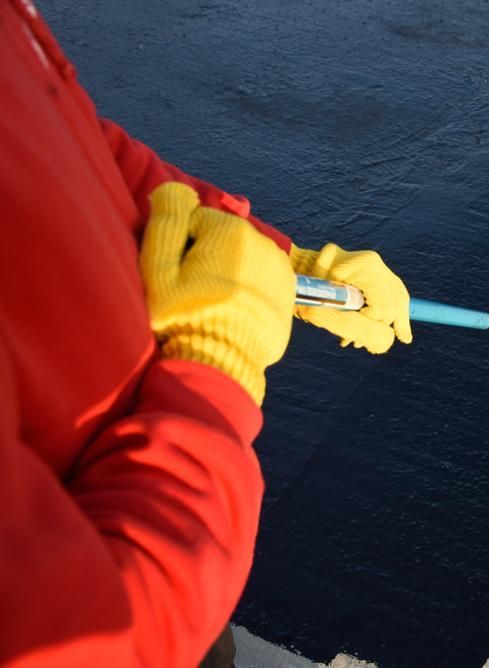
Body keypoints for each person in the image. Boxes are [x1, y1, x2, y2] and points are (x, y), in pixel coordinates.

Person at [0, 1, 411, 666]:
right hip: (149, 551)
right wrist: (214, 377)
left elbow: (72, 144)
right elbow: (92, 646)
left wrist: (278, 260)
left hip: (169, 526)